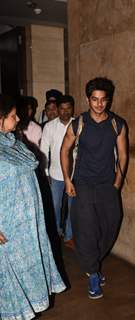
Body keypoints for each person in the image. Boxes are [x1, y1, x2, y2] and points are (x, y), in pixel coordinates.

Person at [60, 77, 128, 299]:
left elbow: (124, 155)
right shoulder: (78, 123)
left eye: (103, 100)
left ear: (108, 100)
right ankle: (92, 274)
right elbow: (64, 150)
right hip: (84, 184)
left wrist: (117, 182)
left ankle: (95, 265)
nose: (99, 104)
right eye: (94, 100)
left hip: (107, 185)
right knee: (86, 229)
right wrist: (68, 180)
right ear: (88, 100)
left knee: (111, 224)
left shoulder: (117, 124)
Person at [0, 94, 65, 320]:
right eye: (11, 116)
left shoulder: (13, 142)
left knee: (28, 276)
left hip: (27, 226)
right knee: (10, 280)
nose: (18, 118)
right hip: (7, 230)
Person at [40, 95, 75, 245]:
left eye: (68, 108)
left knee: (73, 208)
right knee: (55, 205)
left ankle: (68, 235)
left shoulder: (79, 124)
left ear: (72, 109)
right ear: (58, 110)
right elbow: (43, 151)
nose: (65, 111)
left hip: (75, 175)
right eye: (62, 108)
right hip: (55, 174)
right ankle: (55, 234)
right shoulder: (49, 126)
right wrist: (46, 173)